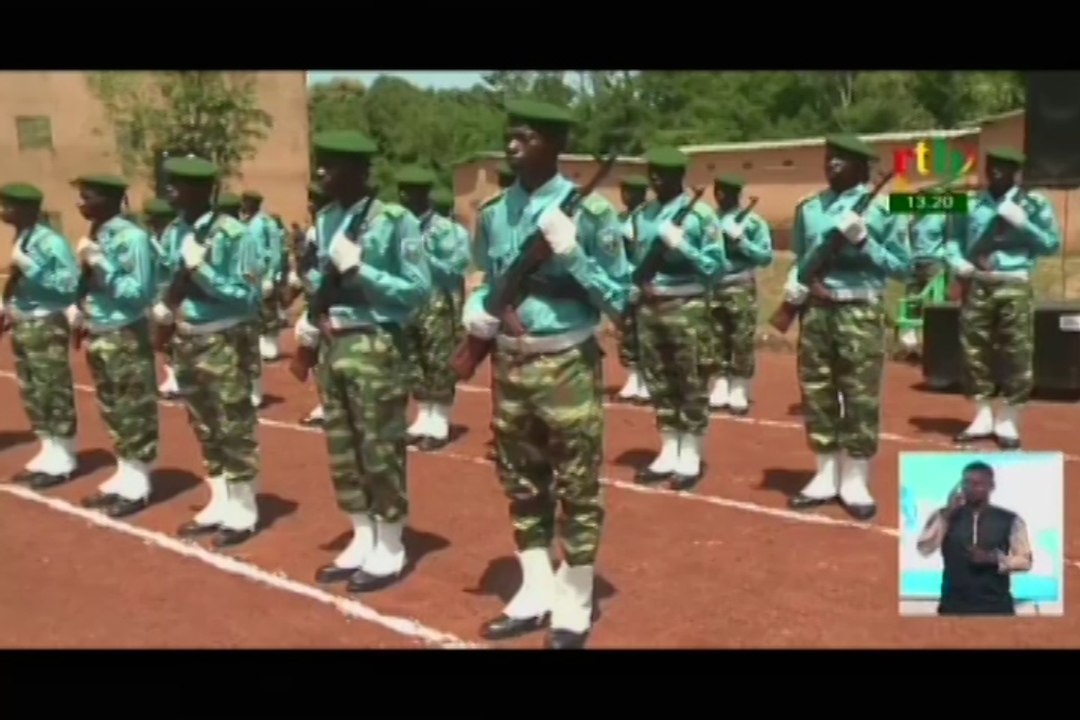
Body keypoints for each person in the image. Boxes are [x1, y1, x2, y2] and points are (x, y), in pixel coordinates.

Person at [463, 98, 630, 649]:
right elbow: (486, 276)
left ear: (556, 147)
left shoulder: (595, 215)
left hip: (566, 364)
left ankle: (575, 598)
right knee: (520, 480)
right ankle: (536, 587)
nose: (513, 145)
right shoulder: (492, 213)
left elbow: (622, 300)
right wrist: (478, 306)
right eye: (511, 135)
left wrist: (574, 254)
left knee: (577, 484)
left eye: (528, 137)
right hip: (510, 362)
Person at [293, 130, 431, 593]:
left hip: (376, 344)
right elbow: (317, 284)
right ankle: (361, 532)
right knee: (342, 445)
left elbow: (416, 291)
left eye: (329, 166)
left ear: (356, 170)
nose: (321, 175)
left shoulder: (395, 221)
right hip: (336, 345)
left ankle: (390, 542)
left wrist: (359, 269)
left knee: (379, 446)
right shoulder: (327, 219)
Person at [785, 135, 911, 521]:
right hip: (818, 311)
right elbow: (802, 256)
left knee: (859, 397)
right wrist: (796, 280)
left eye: (841, 160)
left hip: (860, 309)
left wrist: (865, 241)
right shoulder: (809, 208)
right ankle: (825, 473)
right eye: (828, 159)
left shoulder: (888, 207)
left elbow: (904, 267)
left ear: (862, 167)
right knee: (817, 391)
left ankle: (855, 479)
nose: (831, 165)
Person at [151, 156, 264, 548]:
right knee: (202, 421)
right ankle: (220, 498)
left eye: (180, 183)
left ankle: (245, 507)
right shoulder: (174, 232)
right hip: (187, 337)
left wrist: (203, 272)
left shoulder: (234, 234)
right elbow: (167, 277)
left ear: (204, 190)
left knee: (232, 421)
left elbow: (248, 297)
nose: (171, 191)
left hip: (224, 338)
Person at [946, 148, 1061, 450]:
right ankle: (982, 415)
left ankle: (1009, 417)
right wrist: (958, 263)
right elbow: (952, 241)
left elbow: (1051, 245)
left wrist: (1025, 224)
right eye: (992, 166)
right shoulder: (968, 203)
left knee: (1017, 352)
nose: (995, 172)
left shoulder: (1034, 204)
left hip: (1014, 282)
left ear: (1017, 173)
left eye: (1004, 167)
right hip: (979, 283)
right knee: (974, 351)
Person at [631, 147, 727, 492]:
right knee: (659, 380)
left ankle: (691, 452)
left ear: (679, 176)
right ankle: (669, 447)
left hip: (688, 306)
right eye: (652, 172)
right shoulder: (642, 214)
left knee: (691, 380)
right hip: (650, 306)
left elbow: (716, 268)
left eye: (663, 173)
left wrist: (683, 246)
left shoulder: (701, 216)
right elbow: (635, 262)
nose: (655, 179)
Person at [66, 175, 159, 517]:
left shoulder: (132, 238)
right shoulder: (95, 236)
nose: (81, 203)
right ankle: (125, 472)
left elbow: (140, 294)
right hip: (100, 331)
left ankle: (140, 483)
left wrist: (101, 262)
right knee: (112, 408)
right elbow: (89, 284)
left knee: (134, 408)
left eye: (87, 197)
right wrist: (79, 306)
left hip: (125, 333)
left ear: (108, 199)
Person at [0, 182, 80, 487]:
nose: (3, 212)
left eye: (9, 206)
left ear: (27, 210)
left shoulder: (50, 242)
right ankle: (50, 448)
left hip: (45, 322)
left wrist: (30, 267)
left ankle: (65, 456)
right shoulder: (23, 237)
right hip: (25, 323)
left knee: (53, 388)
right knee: (33, 390)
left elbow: (68, 283)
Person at [398, 169, 469, 451]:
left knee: (438, 358)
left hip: (437, 301)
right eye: (401, 192)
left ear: (423, 196)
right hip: (407, 301)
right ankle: (423, 414)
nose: (404, 198)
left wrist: (424, 257)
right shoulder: (400, 227)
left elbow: (456, 268)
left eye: (410, 193)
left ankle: (439, 420)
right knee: (414, 359)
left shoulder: (446, 230)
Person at [915, 460, 1033, 615]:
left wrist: (994, 559)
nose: (970, 489)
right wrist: (948, 514)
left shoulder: (1010, 519)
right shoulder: (943, 515)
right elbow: (924, 548)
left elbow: (1025, 561)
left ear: (991, 486)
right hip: (953, 606)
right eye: (966, 483)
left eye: (978, 484)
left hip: (996, 607)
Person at [706, 174, 773, 416]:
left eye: (726, 192)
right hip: (713, 287)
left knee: (741, 338)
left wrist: (741, 241)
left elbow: (765, 257)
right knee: (715, 338)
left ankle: (739, 387)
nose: (721, 196)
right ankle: (721, 383)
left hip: (740, 286)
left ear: (737, 195)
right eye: (718, 191)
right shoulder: (708, 220)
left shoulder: (753, 223)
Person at [294, 181, 332, 427]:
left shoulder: (334, 228)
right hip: (316, 296)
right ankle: (325, 404)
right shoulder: (314, 230)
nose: (311, 204)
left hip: (330, 298)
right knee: (317, 355)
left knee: (330, 354)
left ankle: (333, 406)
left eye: (316, 199)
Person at [613, 175, 651, 404]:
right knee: (627, 330)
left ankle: (647, 379)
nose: (625, 197)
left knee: (647, 331)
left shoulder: (648, 218)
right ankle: (633, 376)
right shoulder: (619, 219)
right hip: (624, 281)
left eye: (630, 192)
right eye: (623, 192)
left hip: (645, 280)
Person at [240, 190, 286, 364]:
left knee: (268, 310)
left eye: (247, 202)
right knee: (255, 310)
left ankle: (271, 343)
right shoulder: (246, 223)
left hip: (264, 272)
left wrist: (271, 275)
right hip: (250, 274)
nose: (244, 205)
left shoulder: (266, 223)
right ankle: (260, 341)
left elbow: (275, 250)